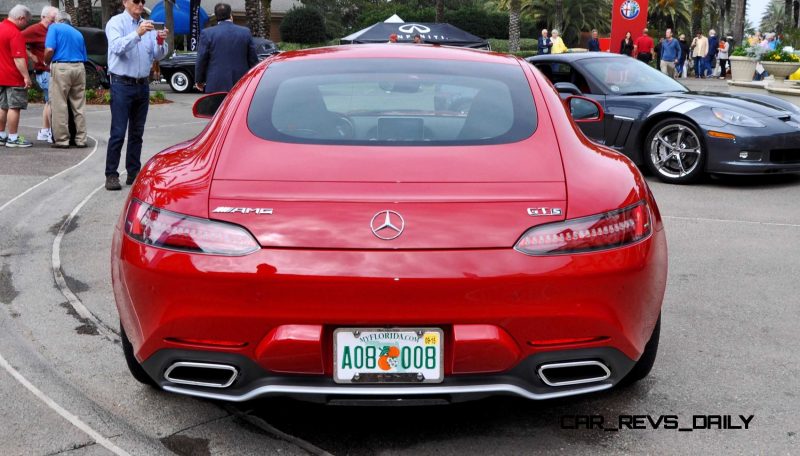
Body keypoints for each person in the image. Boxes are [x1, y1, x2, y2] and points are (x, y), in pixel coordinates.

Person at [104, 0, 169, 191]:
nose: (140, 4)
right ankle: (111, 174)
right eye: (136, 1)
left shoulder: (148, 24)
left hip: (142, 84)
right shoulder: (116, 23)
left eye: (143, 1)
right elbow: (117, 47)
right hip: (121, 83)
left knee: (137, 133)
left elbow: (157, 55)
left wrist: (160, 41)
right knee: (118, 132)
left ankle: (133, 172)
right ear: (125, 2)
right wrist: (137, 33)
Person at [44, 11, 87, 149]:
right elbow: (84, 55)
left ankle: (62, 140)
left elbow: (50, 49)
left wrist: (46, 61)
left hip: (62, 66)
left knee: (59, 104)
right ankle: (81, 139)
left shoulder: (54, 27)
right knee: (79, 105)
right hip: (79, 67)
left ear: (58, 19)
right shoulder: (78, 33)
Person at [195, 3, 257, 94]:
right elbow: (253, 59)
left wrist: (199, 80)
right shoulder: (245, 32)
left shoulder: (207, 33)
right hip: (241, 83)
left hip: (216, 83)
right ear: (230, 15)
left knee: (218, 108)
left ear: (216, 16)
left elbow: (201, 59)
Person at [22, 5, 58, 143]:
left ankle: (44, 130)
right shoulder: (35, 29)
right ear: (43, 17)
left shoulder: (52, 29)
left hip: (50, 70)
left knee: (49, 102)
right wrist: (31, 55)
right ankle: (51, 133)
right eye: (52, 19)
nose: (54, 22)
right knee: (52, 102)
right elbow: (17, 39)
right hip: (44, 71)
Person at [0, 4, 32, 148]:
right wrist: (26, 76)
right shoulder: (15, 33)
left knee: (2, 106)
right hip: (13, 77)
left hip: (1, 75)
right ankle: (13, 137)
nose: (26, 25)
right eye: (26, 21)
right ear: (21, 18)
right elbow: (18, 58)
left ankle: (1, 135)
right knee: (14, 107)